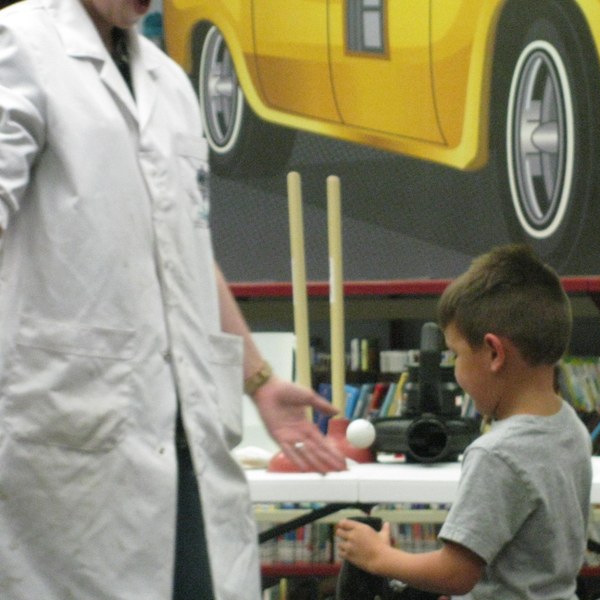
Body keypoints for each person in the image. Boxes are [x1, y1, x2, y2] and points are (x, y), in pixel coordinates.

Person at [0, 1, 345, 599]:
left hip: (185, 439)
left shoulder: (169, 80)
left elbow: (186, 248)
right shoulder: (19, 46)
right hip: (72, 436)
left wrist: (259, 379)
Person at [336, 244, 593, 600]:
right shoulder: (568, 425)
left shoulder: (496, 454)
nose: (455, 370)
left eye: (455, 354)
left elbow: (455, 574)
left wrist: (378, 557)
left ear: (494, 353)